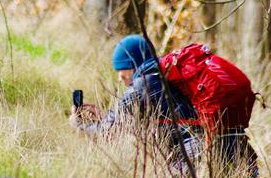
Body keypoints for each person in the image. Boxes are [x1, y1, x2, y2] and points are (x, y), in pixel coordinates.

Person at [69, 34, 201, 162]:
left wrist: (79, 126)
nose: (120, 78)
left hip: (188, 156)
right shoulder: (162, 74)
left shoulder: (142, 87)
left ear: (133, 66)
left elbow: (109, 132)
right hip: (200, 146)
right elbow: (121, 121)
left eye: (121, 69)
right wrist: (102, 117)